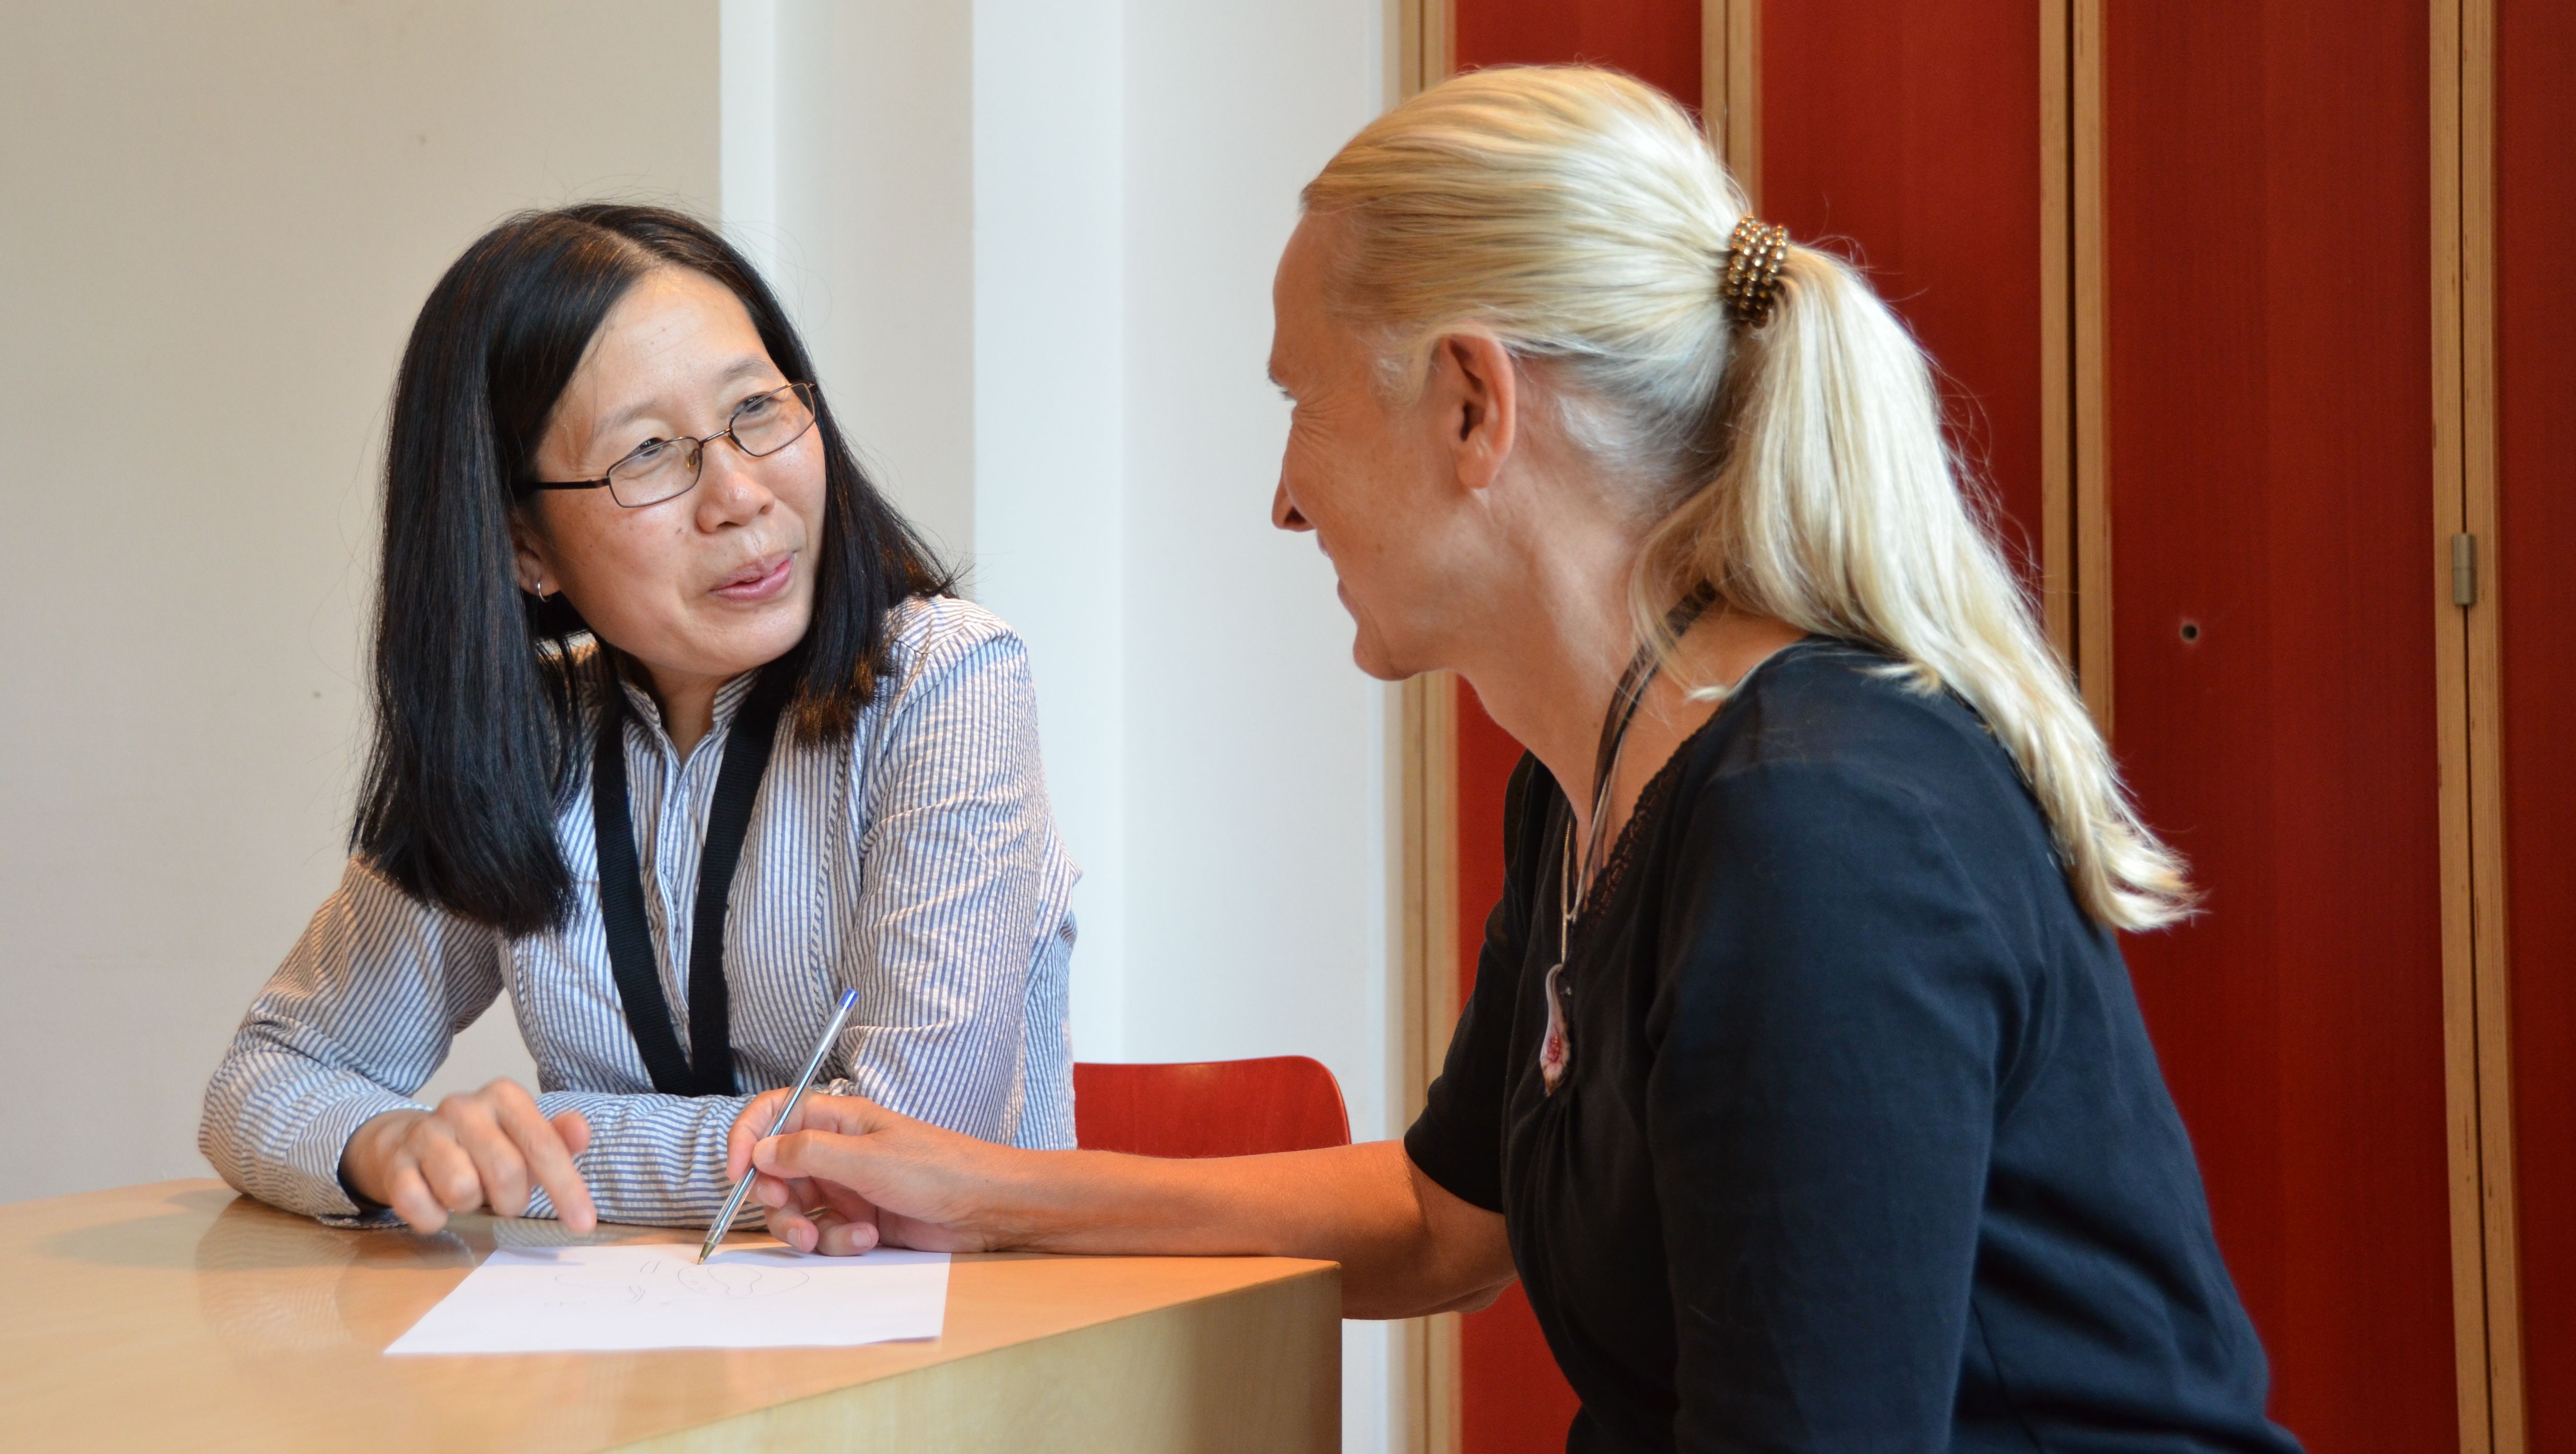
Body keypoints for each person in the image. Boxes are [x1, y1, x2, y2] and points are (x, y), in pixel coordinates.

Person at [717, 67, 2302, 1453]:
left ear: (1475, 404)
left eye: (1302, 403)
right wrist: (985, 1193)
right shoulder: (1591, 776)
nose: (1284, 498)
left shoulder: (1819, 828)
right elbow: (1443, 1215)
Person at [199, 205, 1077, 1238]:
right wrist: (386, 1144)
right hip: (625, 1333)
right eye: (651, 452)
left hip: (966, 1323)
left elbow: (901, 1155)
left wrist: (532, 1158)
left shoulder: (946, 681)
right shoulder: (525, 741)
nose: (739, 494)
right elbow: (264, 1077)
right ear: (523, 544)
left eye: (757, 408)